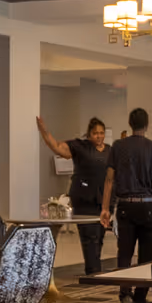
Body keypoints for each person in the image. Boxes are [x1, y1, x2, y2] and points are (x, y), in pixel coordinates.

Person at [100, 108, 152, 303]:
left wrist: (105, 208)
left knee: (125, 252)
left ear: (130, 123)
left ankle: (125, 295)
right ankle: (139, 299)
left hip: (125, 205)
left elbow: (109, 179)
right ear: (147, 125)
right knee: (146, 255)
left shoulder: (118, 147)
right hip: (147, 205)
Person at [37, 114, 111, 274]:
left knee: (99, 237)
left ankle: (95, 270)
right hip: (84, 200)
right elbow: (57, 146)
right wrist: (44, 132)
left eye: (101, 133)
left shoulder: (109, 151)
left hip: (103, 201)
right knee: (89, 237)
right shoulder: (80, 147)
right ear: (89, 134)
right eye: (95, 133)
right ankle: (93, 272)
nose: (99, 136)